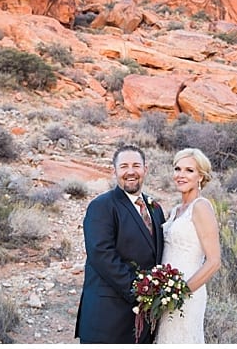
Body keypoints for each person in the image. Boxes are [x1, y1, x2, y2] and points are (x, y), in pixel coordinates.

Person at [75, 144, 166, 344]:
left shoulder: (155, 208)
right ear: (114, 171)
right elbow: (102, 255)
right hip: (107, 320)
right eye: (124, 166)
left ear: (145, 169)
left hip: (144, 322)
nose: (131, 171)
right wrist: (141, 291)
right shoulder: (102, 206)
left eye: (136, 165)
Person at [155, 148, 221, 344]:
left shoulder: (201, 207)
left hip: (187, 294)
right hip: (166, 293)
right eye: (177, 169)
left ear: (200, 176)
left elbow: (214, 261)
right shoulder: (176, 210)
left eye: (189, 170)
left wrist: (180, 293)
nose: (181, 175)